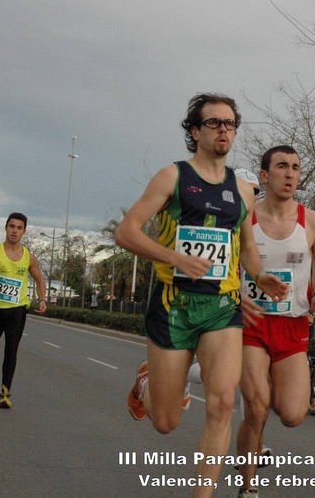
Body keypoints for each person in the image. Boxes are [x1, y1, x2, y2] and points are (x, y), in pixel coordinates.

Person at [114, 93, 288, 498]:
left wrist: (259, 275)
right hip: (173, 305)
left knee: (223, 403)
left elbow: (246, 246)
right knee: (165, 422)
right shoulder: (172, 177)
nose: (223, 129)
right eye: (214, 123)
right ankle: (146, 383)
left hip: (222, 307)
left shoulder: (243, 191)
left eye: (230, 123)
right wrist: (174, 257)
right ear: (195, 131)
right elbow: (126, 232)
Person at [235, 146, 315, 497]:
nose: (290, 174)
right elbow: (227, 262)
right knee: (256, 407)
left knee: (292, 414)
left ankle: (254, 437)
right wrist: (238, 293)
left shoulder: (312, 221)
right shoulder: (245, 218)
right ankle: (248, 487)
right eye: (282, 167)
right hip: (251, 323)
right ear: (264, 175)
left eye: (295, 168)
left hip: (293, 325)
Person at [0, 212, 47, 409]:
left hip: (17, 310)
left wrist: (42, 299)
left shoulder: (29, 257)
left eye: (19, 228)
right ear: (6, 228)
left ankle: (5, 393)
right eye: (12, 226)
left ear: (24, 231)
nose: (14, 231)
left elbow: (40, 279)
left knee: (11, 349)